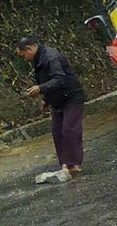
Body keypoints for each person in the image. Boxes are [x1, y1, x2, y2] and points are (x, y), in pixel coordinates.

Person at [15, 36, 85, 182]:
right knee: (57, 132)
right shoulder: (37, 58)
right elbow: (45, 78)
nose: (24, 59)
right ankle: (64, 164)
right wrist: (45, 98)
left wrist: (40, 89)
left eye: (24, 55)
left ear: (29, 49)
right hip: (56, 99)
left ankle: (73, 164)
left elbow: (60, 78)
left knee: (69, 129)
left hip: (71, 96)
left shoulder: (51, 56)